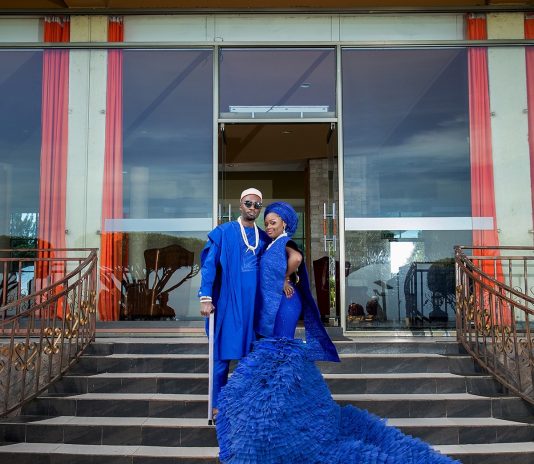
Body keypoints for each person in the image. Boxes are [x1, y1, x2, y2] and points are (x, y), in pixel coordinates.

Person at [215, 202, 459, 464]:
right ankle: (287, 411)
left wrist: (285, 278)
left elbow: (296, 259)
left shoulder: (286, 242)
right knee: (276, 355)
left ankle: (284, 415)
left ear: (285, 223)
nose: (269, 226)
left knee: (280, 351)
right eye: (267, 222)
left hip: (285, 303)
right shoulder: (271, 243)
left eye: (273, 222)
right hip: (276, 304)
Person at [198, 188, 269, 417]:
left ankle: (245, 405)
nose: (252, 208)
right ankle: (217, 405)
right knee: (222, 354)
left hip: (253, 306)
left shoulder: (263, 237)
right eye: (248, 203)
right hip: (229, 303)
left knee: (252, 357)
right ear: (240, 205)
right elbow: (209, 266)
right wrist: (206, 297)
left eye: (257, 205)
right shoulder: (224, 232)